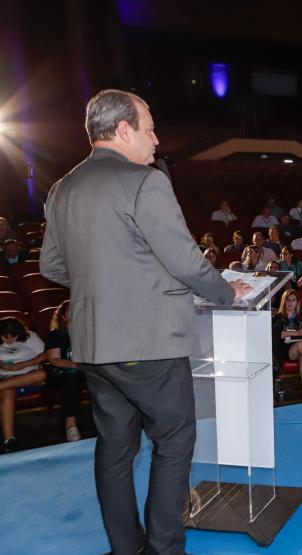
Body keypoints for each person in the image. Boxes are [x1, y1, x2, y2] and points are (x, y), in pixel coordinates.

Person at [39, 89, 249, 555]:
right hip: (150, 344)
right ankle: (165, 549)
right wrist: (227, 292)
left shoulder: (62, 188)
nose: (156, 140)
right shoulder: (146, 182)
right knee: (174, 441)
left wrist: (104, 278)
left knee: (115, 450)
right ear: (123, 130)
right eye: (150, 128)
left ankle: (126, 548)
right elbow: (187, 262)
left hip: (95, 346)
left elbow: (51, 267)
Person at [0, 317, 47, 452]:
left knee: (41, 374)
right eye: (5, 337)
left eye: (13, 336)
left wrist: (24, 364)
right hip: (5, 377)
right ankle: (9, 439)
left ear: (19, 333)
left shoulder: (30, 337)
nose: (9, 340)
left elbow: (46, 355)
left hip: (28, 376)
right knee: (7, 392)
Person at [43, 301, 84, 441]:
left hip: (86, 371)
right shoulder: (56, 335)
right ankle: (70, 425)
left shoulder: (90, 333)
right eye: (69, 311)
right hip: (63, 372)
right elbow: (54, 359)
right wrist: (76, 365)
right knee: (71, 382)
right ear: (63, 317)